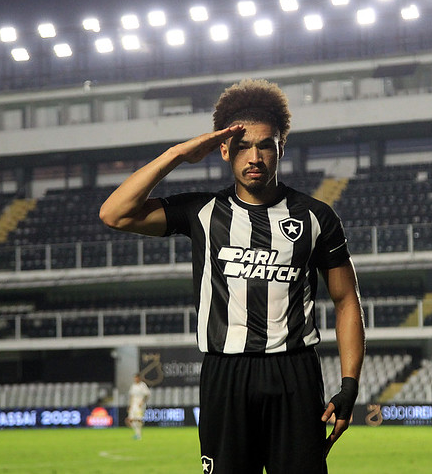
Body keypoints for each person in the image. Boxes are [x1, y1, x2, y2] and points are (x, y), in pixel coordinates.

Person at [100, 79, 365, 474]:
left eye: (265, 145)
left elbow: (346, 301)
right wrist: (177, 154)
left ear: (281, 149)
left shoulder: (316, 217)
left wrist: (349, 384)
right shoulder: (201, 211)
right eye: (243, 145)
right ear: (224, 149)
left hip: (295, 373)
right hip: (226, 374)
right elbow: (114, 213)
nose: (254, 156)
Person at [126, 373, 151, 440]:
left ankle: (138, 435)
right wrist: (130, 405)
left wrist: (142, 402)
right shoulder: (133, 386)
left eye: (136, 378)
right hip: (133, 404)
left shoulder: (142, 385)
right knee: (130, 420)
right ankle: (137, 433)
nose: (135, 379)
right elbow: (131, 396)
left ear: (139, 378)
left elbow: (147, 395)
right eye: (135, 378)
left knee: (138, 419)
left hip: (140, 405)